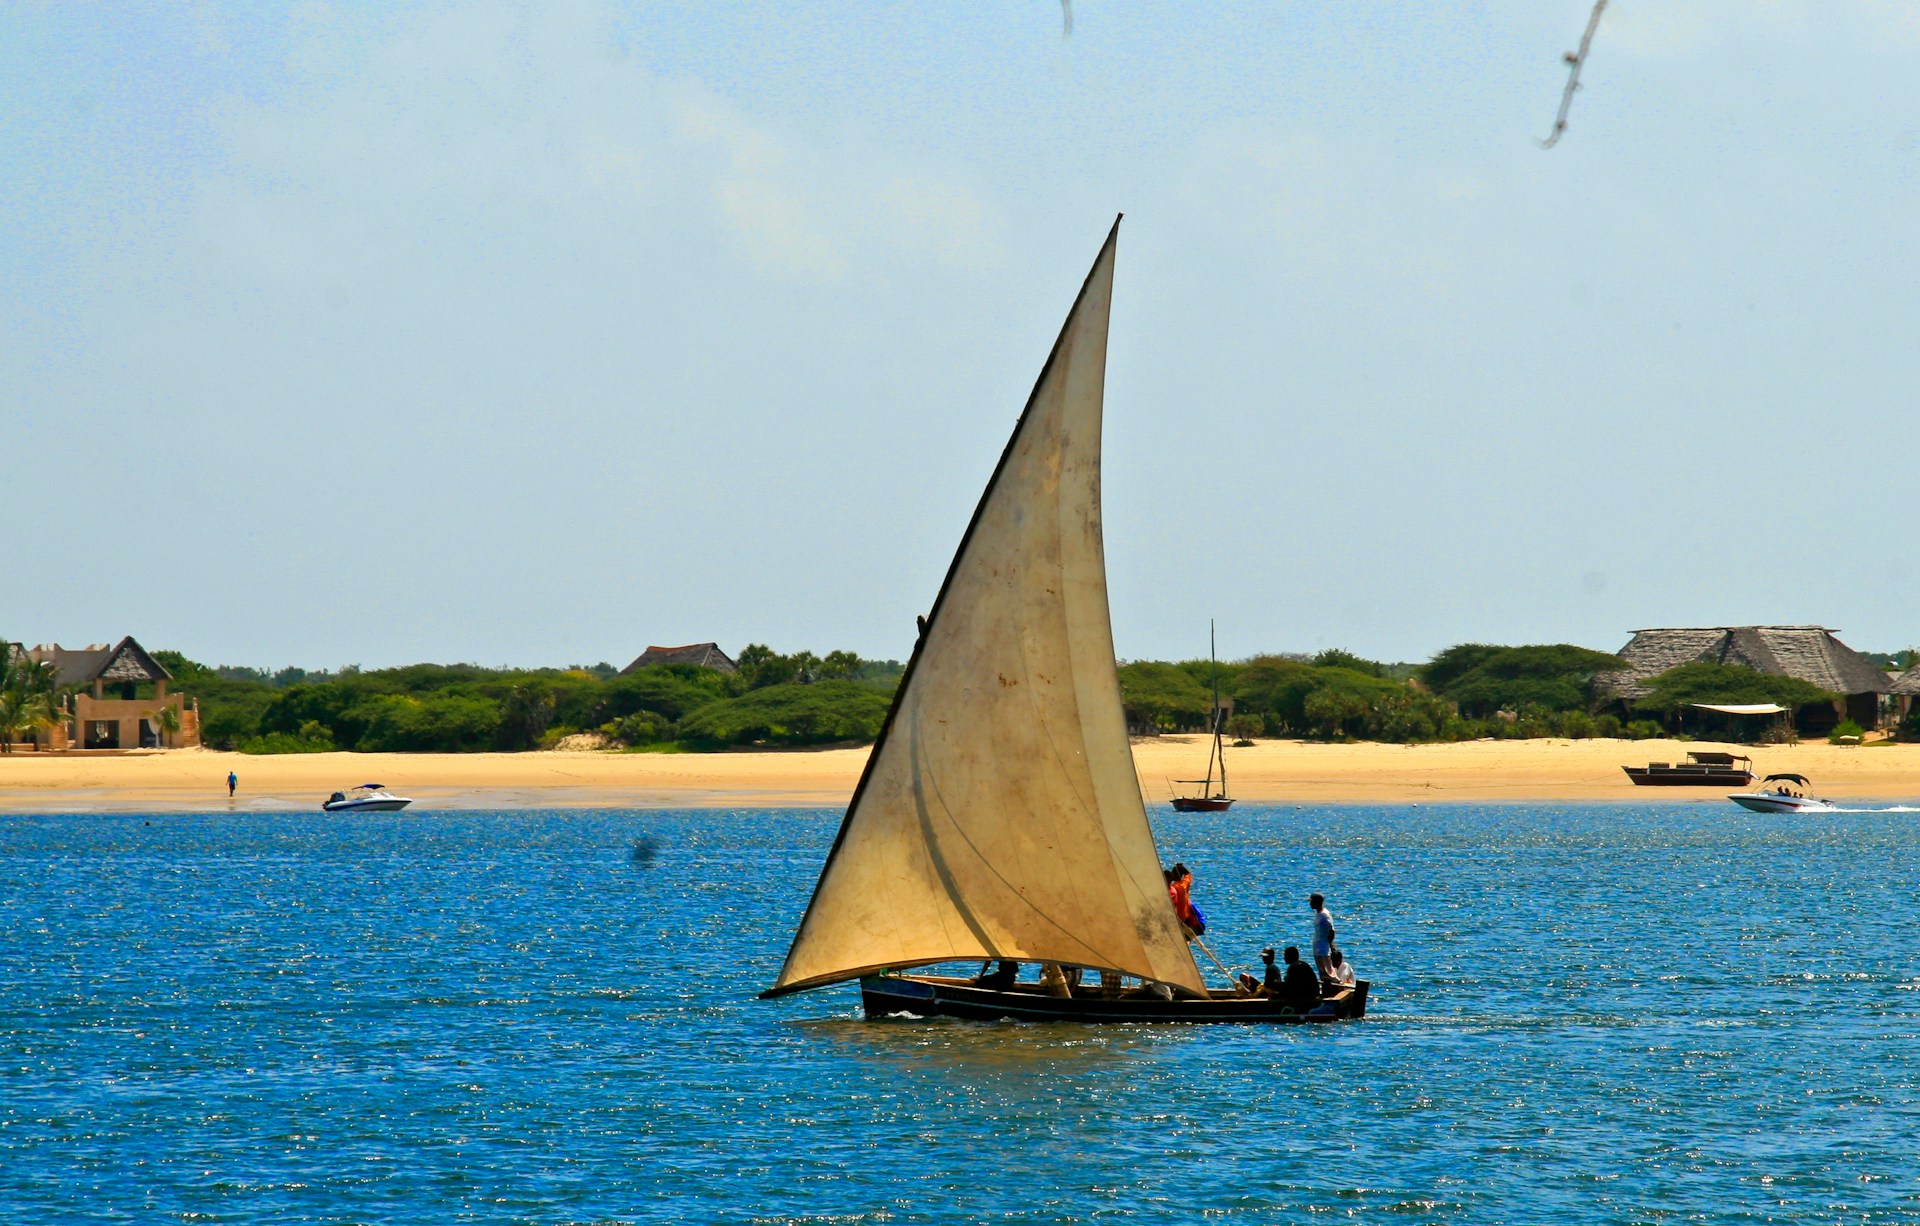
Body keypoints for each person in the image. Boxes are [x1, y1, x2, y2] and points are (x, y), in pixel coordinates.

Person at [1167, 863, 1204, 938]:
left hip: (1176, 918)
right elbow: (1188, 875)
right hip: (1185, 918)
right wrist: (1182, 868)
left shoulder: (1171, 889)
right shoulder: (1184, 885)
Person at [1280, 945, 1321, 1012]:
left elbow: (1290, 986)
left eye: (1285, 955)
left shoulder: (1294, 968)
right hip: (1312, 994)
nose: (1284, 958)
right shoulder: (1304, 965)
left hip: (1304, 997)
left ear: (1290, 956)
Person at [1310, 893, 1336, 979]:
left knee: (1328, 974)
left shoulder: (1324, 915)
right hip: (1318, 948)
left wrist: (1330, 945)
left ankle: (1334, 987)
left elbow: (1331, 931)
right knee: (1322, 973)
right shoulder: (1319, 914)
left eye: (1311, 901)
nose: (1310, 903)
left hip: (1323, 949)